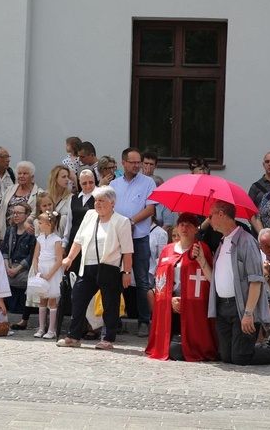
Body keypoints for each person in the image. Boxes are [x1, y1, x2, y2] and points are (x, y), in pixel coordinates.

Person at [207, 200, 270, 364]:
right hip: (223, 307)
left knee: (241, 357)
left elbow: (256, 280)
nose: (208, 220)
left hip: (240, 308)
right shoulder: (222, 242)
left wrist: (248, 314)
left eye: (210, 216)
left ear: (221, 214)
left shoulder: (246, 241)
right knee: (226, 357)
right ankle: (268, 346)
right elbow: (216, 277)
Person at [57, 186, 134, 350]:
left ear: (112, 203)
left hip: (109, 268)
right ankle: (74, 336)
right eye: (96, 200)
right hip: (87, 266)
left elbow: (127, 251)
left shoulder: (122, 221)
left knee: (110, 304)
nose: (97, 204)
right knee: (78, 299)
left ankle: (107, 338)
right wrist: (69, 258)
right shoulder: (90, 215)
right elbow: (78, 240)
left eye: (102, 201)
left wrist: (127, 272)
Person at [146, 213, 217, 361]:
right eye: (182, 224)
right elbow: (160, 281)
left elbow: (210, 280)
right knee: (171, 348)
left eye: (189, 225)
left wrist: (201, 259)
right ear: (177, 227)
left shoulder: (201, 248)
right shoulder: (167, 250)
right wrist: (170, 299)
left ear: (196, 229)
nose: (185, 228)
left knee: (187, 348)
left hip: (194, 304)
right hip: (171, 302)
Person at [110, 147, 156, 338]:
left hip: (139, 238)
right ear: (124, 163)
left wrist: (131, 221)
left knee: (142, 280)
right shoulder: (114, 184)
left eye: (139, 162)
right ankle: (115, 320)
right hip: (118, 239)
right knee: (115, 280)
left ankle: (144, 321)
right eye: (134, 162)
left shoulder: (148, 182)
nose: (138, 165)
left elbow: (151, 209)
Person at [31, 210, 64, 339]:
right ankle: (41, 328)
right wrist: (36, 271)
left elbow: (59, 259)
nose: (38, 225)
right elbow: (35, 256)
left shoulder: (56, 240)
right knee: (42, 299)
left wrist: (50, 275)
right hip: (41, 269)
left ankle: (51, 329)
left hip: (52, 270)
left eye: (40, 223)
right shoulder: (39, 238)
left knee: (52, 299)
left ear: (49, 224)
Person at [1, 202, 36, 313]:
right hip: (10, 266)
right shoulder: (10, 230)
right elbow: (5, 250)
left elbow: (31, 255)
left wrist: (17, 269)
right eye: (14, 213)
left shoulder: (32, 233)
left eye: (18, 213)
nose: (15, 215)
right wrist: (7, 267)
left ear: (26, 215)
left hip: (24, 269)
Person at [0, 161, 42, 238]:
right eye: (19, 173)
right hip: (7, 233)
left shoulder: (39, 193)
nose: (21, 176)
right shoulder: (10, 189)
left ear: (32, 176)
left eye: (25, 173)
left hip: (27, 235)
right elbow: (1, 211)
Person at [47, 165, 73, 249]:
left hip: (61, 238)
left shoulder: (71, 198)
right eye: (63, 177)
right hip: (45, 235)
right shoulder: (45, 196)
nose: (67, 180)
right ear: (55, 179)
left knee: (63, 218)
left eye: (68, 177)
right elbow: (35, 214)